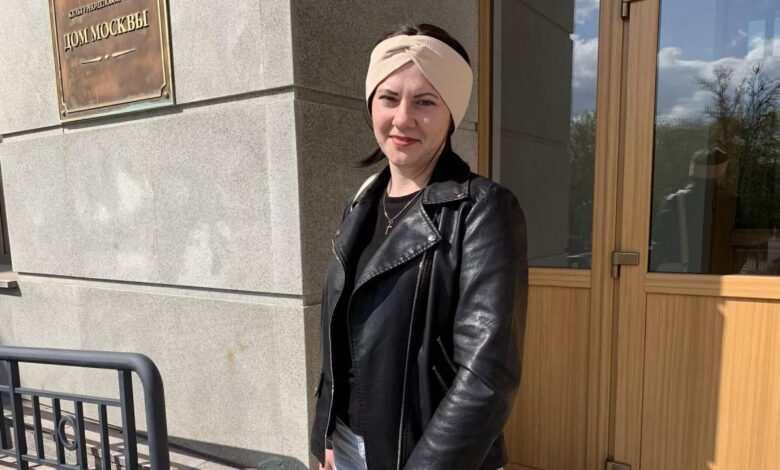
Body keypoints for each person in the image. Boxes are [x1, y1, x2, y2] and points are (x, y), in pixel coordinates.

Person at [310, 23, 528, 470]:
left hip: (433, 457)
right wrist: (328, 433)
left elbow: (487, 377)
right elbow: (341, 337)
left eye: (426, 102)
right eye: (389, 98)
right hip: (349, 446)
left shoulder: (482, 210)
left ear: (452, 113)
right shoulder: (360, 204)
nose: (403, 118)